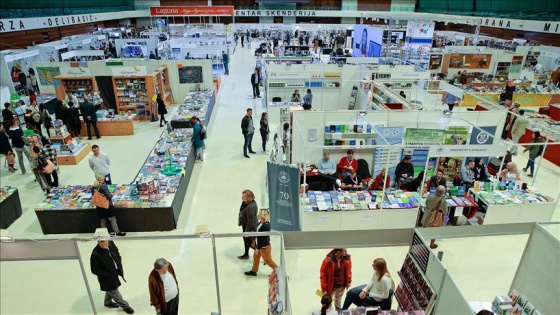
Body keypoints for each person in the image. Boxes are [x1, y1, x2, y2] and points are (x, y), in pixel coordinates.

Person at [90, 238, 133, 313]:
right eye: (101, 244)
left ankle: (107, 303)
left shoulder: (111, 244)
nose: (104, 246)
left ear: (108, 241)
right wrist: (107, 275)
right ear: (98, 242)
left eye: (105, 244)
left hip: (114, 272)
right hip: (107, 277)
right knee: (114, 290)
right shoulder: (95, 254)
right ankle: (125, 306)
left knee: (110, 289)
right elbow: (94, 270)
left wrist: (118, 262)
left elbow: (117, 253)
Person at [244, 208, 278, 276]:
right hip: (259, 246)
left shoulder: (266, 227)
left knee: (268, 261)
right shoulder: (261, 223)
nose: (258, 215)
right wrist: (255, 241)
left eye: (259, 214)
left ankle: (279, 272)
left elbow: (263, 239)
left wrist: (257, 248)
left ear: (263, 216)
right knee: (256, 258)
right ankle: (254, 271)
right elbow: (258, 234)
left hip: (264, 248)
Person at [238, 189, 258, 260]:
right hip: (245, 225)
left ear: (249, 197)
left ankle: (264, 254)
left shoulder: (250, 207)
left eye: (244, 196)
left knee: (251, 243)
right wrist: (240, 221)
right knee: (246, 241)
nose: (242, 197)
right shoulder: (245, 203)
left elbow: (251, 221)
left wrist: (246, 231)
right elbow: (241, 211)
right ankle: (246, 254)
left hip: (250, 227)